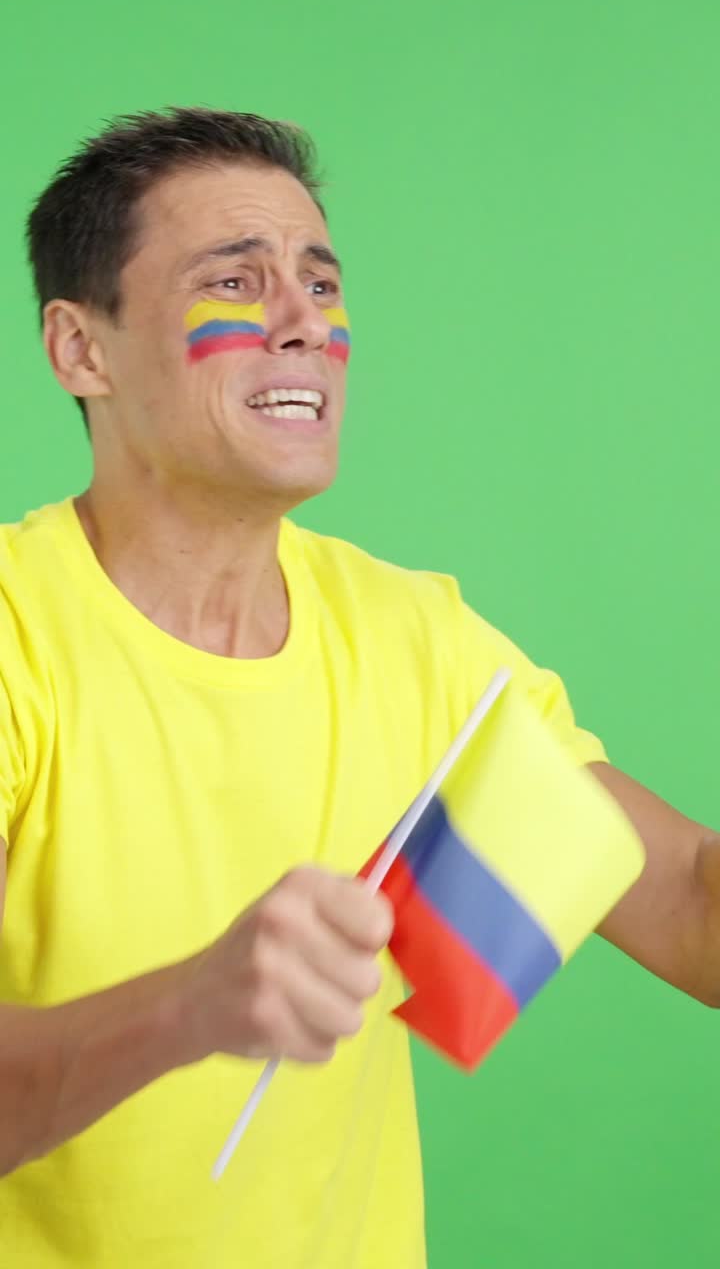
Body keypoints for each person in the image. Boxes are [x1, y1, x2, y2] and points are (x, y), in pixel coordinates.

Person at [0, 106, 716, 1269]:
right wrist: (190, 1005)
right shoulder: (16, 638)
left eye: (323, 285)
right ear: (82, 349)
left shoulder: (416, 639)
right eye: (236, 281)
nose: (306, 322)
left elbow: (689, 901)